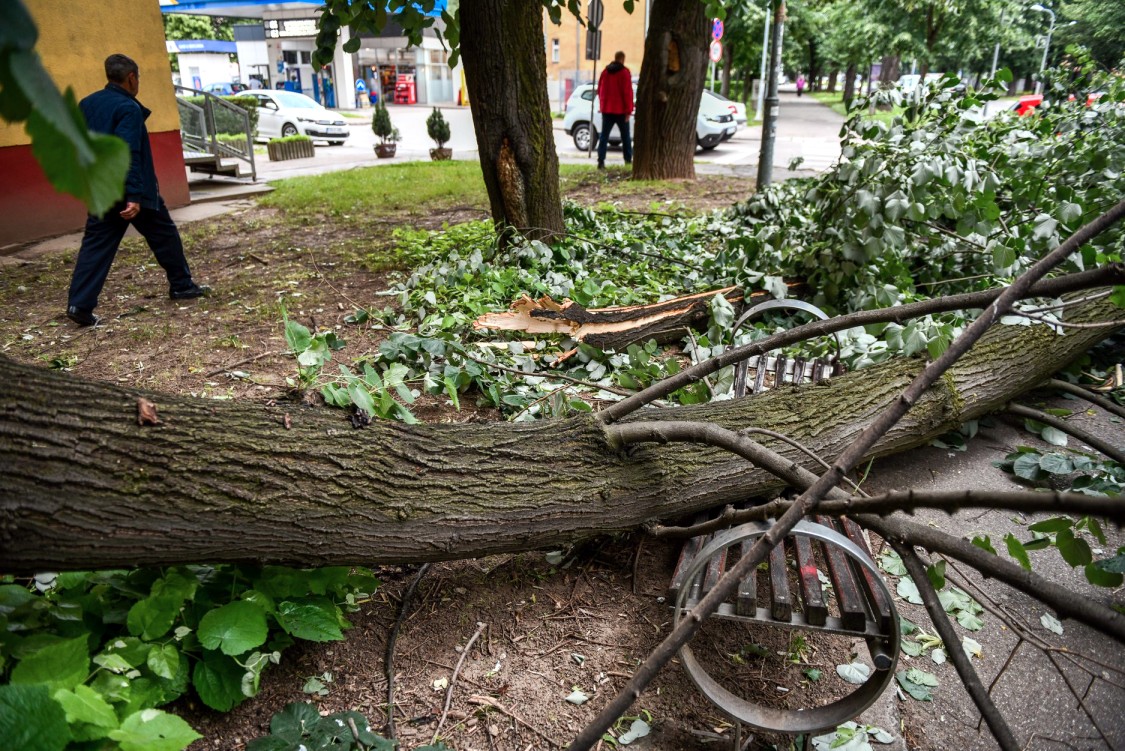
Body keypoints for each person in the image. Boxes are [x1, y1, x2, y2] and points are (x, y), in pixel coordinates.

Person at [65, 54, 208, 327]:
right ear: (131, 77)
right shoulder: (127, 107)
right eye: (138, 78)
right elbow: (128, 152)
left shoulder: (87, 104)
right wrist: (133, 195)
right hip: (131, 191)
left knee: (95, 246)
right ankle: (182, 285)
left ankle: (78, 304)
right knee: (164, 234)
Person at [596, 51, 634, 169]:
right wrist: (629, 110)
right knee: (625, 137)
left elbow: (599, 90)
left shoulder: (605, 72)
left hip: (607, 110)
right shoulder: (624, 73)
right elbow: (627, 92)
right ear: (623, 59)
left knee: (604, 136)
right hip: (621, 111)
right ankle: (628, 160)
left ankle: (601, 161)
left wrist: (602, 106)